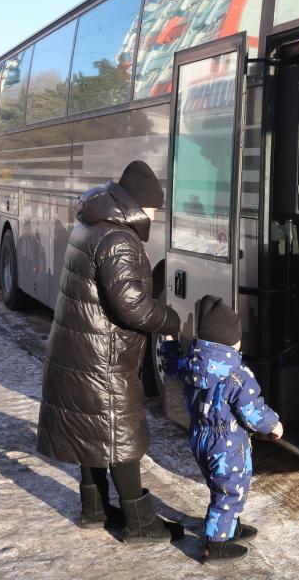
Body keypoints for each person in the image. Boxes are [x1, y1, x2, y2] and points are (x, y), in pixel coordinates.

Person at [36, 160, 183, 543]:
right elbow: (131, 305)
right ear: (139, 204)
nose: (155, 213)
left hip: (79, 348)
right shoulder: (118, 238)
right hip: (102, 356)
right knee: (120, 434)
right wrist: (170, 320)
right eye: (154, 206)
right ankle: (139, 522)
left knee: (90, 429)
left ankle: (95, 510)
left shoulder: (92, 223)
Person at [160, 295, 283, 565]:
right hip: (227, 443)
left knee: (224, 486)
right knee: (229, 491)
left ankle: (231, 527)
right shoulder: (238, 374)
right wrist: (274, 424)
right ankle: (216, 545)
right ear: (233, 341)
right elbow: (253, 412)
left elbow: (170, 366)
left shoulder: (192, 364)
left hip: (200, 438)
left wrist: (168, 341)